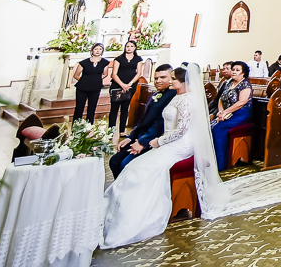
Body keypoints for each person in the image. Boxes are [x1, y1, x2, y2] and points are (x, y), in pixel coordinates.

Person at [102, 65, 229, 248]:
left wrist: (158, 142)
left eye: (174, 78)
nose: (170, 81)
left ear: (183, 82)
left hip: (181, 144)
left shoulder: (188, 101)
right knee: (134, 167)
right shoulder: (177, 96)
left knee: (140, 168)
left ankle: (139, 213)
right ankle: (120, 208)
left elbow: (182, 130)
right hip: (170, 141)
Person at [109, 63, 174, 178]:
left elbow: (160, 124)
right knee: (114, 161)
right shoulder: (157, 94)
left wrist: (142, 143)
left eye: (163, 77)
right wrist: (130, 137)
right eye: (156, 78)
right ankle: (118, 187)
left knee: (126, 165)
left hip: (152, 140)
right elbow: (143, 120)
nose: (158, 81)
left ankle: (127, 188)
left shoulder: (172, 96)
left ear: (171, 78)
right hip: (139, 136)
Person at [210, 61, 253, 171]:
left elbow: (242, 102)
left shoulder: (245, 84)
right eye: (233, 70)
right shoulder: (229, 83)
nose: (234, 72)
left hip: (241, 113)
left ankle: (221, 164)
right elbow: (221, 99)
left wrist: (226, 112)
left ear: (243, 73)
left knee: (218, 128)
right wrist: (221, 111)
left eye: (237, 70)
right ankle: (211, 160)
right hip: (227, 112)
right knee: (210, 126)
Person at [70, 43, 111, 122]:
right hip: (82, 88)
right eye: (96, 49)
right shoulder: (84, 62)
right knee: (79, 108)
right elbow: (76, 75)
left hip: (95, 88)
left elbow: (105, 74)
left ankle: (89, 126)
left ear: (102, 51)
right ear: (92, 50)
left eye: (100, 49)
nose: (98, 51)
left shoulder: (105, 62)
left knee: (92, 109)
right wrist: (86, 80)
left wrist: (95, 80)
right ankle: (76, 126)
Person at [109, 40, 142, 131]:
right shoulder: (118, 59)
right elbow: (114, 74)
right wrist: (122, 85)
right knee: (114, 109)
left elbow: (139, 73)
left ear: (134, 48)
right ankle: (111, 131)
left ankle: (122, 131)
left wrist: (129, 84)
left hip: (130, 86)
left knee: (125, 108)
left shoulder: (138, 59)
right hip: (117, 86)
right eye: (127, 46)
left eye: (131, 46)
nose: (129, 48)